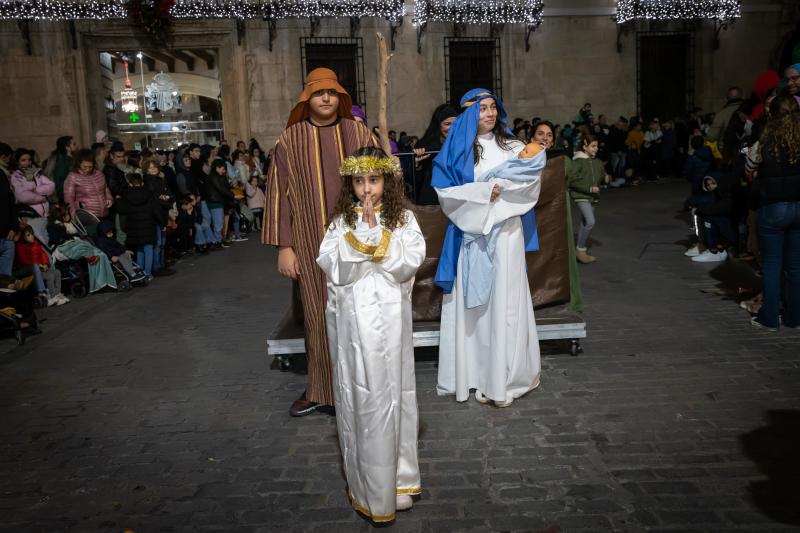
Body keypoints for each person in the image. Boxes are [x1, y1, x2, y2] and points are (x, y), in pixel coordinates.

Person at [316, 147, 425, 522]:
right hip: (354, 328)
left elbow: (409, 262)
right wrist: (362, 237)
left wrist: (378, 237)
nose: (367, 190)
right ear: (350, 184)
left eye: (374, 181)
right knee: (363, 399)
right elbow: (333, 266)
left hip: (391, 323)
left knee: (396, 396)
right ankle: (368, 486)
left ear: (387, 182)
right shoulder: (340, 223)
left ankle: (399, 480)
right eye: (359, 181)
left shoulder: (404, 219)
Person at [262, 67, 375, 417]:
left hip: (357, 238)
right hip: (309, 240)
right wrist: (285, 246)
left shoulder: (357, 132)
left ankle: (363, 388)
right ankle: (321, 389)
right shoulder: (289, 140)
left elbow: (380, 180)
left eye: (331, 92)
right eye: (317, 93)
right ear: (306, 99)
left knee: (359, 313)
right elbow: (278, 195)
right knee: (316, 314)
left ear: (339, 96)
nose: (325, 98)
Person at [432, 88, 543, 407]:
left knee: (505, 304)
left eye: (493, 107)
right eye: (482, 109)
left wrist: (501, 193)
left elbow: (530, 184)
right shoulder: (457, 150)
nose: (490, 114)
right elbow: (446, 193)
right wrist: (482, 194)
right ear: (470, 114)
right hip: (472, 234)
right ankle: (479, 374)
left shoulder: (515, 147)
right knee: (477, 310)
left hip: (507, 232)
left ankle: (506, 377)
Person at [749, 95, 800, 330]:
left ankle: (769, 317)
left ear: (772, 114)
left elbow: (750, 168)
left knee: (771, 264)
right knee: (795, 266)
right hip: (798, 206)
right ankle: (794, 317)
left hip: (772, 206)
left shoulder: (764, 141)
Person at [567, 134, 609, 263]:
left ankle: (580, 251)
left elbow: (600, 174)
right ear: (585, 146)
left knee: (585, 223)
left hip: (592, 197)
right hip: (581, 195)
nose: (596, 149)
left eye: (596, 146)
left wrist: (606, 177)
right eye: (593, 146)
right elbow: (572, 181)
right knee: (590, 221)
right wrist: (590, 188)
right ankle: (580, 249)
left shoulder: (597, 162)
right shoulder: (578, 161)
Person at [117, 173, 166, 277]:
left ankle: (140, 272)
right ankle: (148, 273)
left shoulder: (126, 194)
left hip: (134, 227)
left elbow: (121, 209)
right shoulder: (148, 193)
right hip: (148, 225)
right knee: (148, 248)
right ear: (142, 183)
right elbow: (156, 210)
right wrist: (162, 223)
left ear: (130, 184)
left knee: (140, 248)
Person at [14, 225, 68, 306]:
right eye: (28, 235)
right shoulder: (20, 246)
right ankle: (52, 296)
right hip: (35, 271)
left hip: (42, 268)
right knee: (50, 276)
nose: (31, 236)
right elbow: (24, 260)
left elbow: (43, 255)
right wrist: (40, 266)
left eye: (32, 234)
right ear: (23, 237)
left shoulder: (36, 243)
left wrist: (45, 263)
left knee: (57, 272)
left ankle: (57, 293)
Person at [415, 104, 459, 205]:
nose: (452, 128)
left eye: (455, 124)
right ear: (438, 125)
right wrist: (417, 164)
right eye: (447, 124)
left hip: (457, 198)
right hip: (433, 200)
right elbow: (414, 180)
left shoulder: (464, 143)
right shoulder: (425, 146)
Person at [63, 149, 113, 219]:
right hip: (86, 216)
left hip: (104, 214)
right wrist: (73, 214)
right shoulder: (72, 177)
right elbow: (69, 198)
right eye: (85, 167)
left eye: (90, 167)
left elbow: (105, 189)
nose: (87, 169)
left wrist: (109, 199)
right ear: (79, 163)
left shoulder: (99, 174)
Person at [9, 148, 55, 218]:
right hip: (29, 215)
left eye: (29, 160)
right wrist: (42, 197)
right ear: (17, 162)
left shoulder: (36, 173)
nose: (27, 162)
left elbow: (51, 185)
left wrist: (37, 190)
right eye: (23, 160)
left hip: (45, 214)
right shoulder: (16, 177)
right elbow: (23, 197)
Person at [0, 142, 17, 276]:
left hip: (6, 233)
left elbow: (9, 202)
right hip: (3, 232)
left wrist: (12, 227)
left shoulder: (3, 174)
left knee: (6, 276)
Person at [44, 136, 77, 202]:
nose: (76, 146)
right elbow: (60, 181)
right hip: (68, 197)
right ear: (67, 147)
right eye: (74, 144)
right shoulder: (62, 161)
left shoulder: (72, 159)